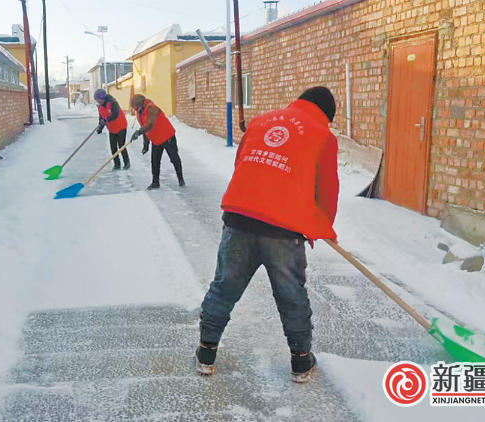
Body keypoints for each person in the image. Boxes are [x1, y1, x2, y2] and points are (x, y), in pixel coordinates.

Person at [196, 87, 339, 383]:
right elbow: (326, 190)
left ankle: (206, 352)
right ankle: (301, 362)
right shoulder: (322, 135)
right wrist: (321, 225)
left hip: (239, 218)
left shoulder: (260, 121)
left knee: (224, 288)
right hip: (284, 229)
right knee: (291, 295)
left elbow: (242, 166)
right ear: (325, 114)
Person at [130, 94, 185, 190]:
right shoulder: (140, 113)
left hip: (167, 136)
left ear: (141, 104)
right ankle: (155, 182)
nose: (135, 110)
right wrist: (145, 145)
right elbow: (145, 129)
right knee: (155, 161)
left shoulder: (152, 108)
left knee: (174, 158)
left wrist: (138, 132)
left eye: (136, 108)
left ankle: (181, 179)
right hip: (156, 139)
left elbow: (150, 125)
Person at [94, 89, 130, 170]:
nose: (98, 103)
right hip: (112, 128)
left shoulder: (112, 103)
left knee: (121, 146)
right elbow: (101, 118)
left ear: (103, 98)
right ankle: (117, 164)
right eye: (97, 101)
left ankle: (126, 163)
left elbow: (115, 114)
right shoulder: (100, 107)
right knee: (113, 147)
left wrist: (106, 120)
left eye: (99, 100)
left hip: (121, 126)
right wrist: (100, 127)